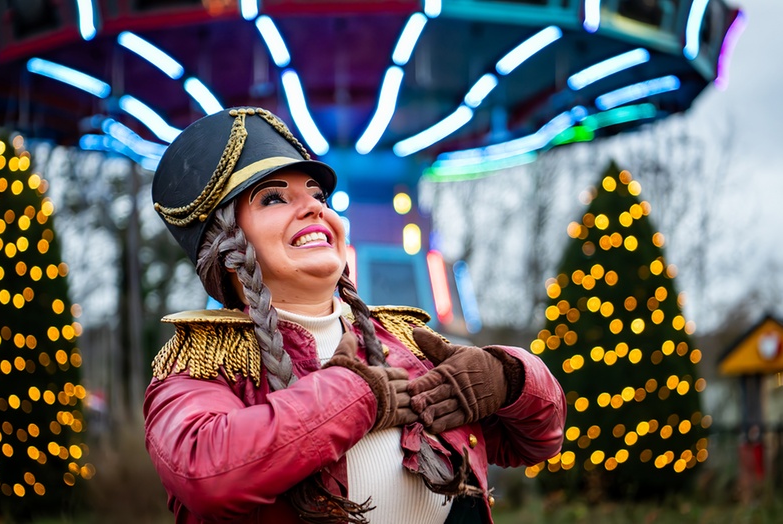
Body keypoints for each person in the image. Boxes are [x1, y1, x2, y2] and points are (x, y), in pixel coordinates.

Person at [144, 107, 566, 524]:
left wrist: (510, 377)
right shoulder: (201, 367)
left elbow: (538, 442)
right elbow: (206, 473)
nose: (314, 208)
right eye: (274, 197)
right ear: (228, 249)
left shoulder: (406, 343)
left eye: (317, 195)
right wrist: (356, 396)